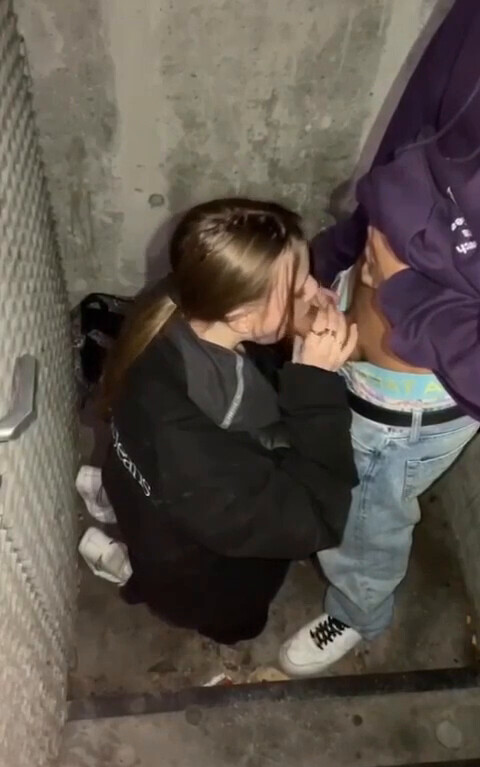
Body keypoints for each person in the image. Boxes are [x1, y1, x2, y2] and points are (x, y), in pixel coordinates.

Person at [280, 0, 480, 677]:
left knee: (364, 522)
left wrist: (404, 296)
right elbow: (409, 142)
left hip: (405, 407)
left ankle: (360, 609)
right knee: (331, 472)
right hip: (359, 327)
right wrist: (338, 254)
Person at [96, 198, 358, 646]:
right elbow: (318, 516)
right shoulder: (203, 449)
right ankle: (214, 624)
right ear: (242, 316)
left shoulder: (169, 306)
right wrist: (315, 385)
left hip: (156, 517)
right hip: (206, 578)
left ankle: (141, 577)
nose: (315, 289)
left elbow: (253, 356)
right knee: (237, 622)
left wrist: (291, 317)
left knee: (161, 560)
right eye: (298, 289)